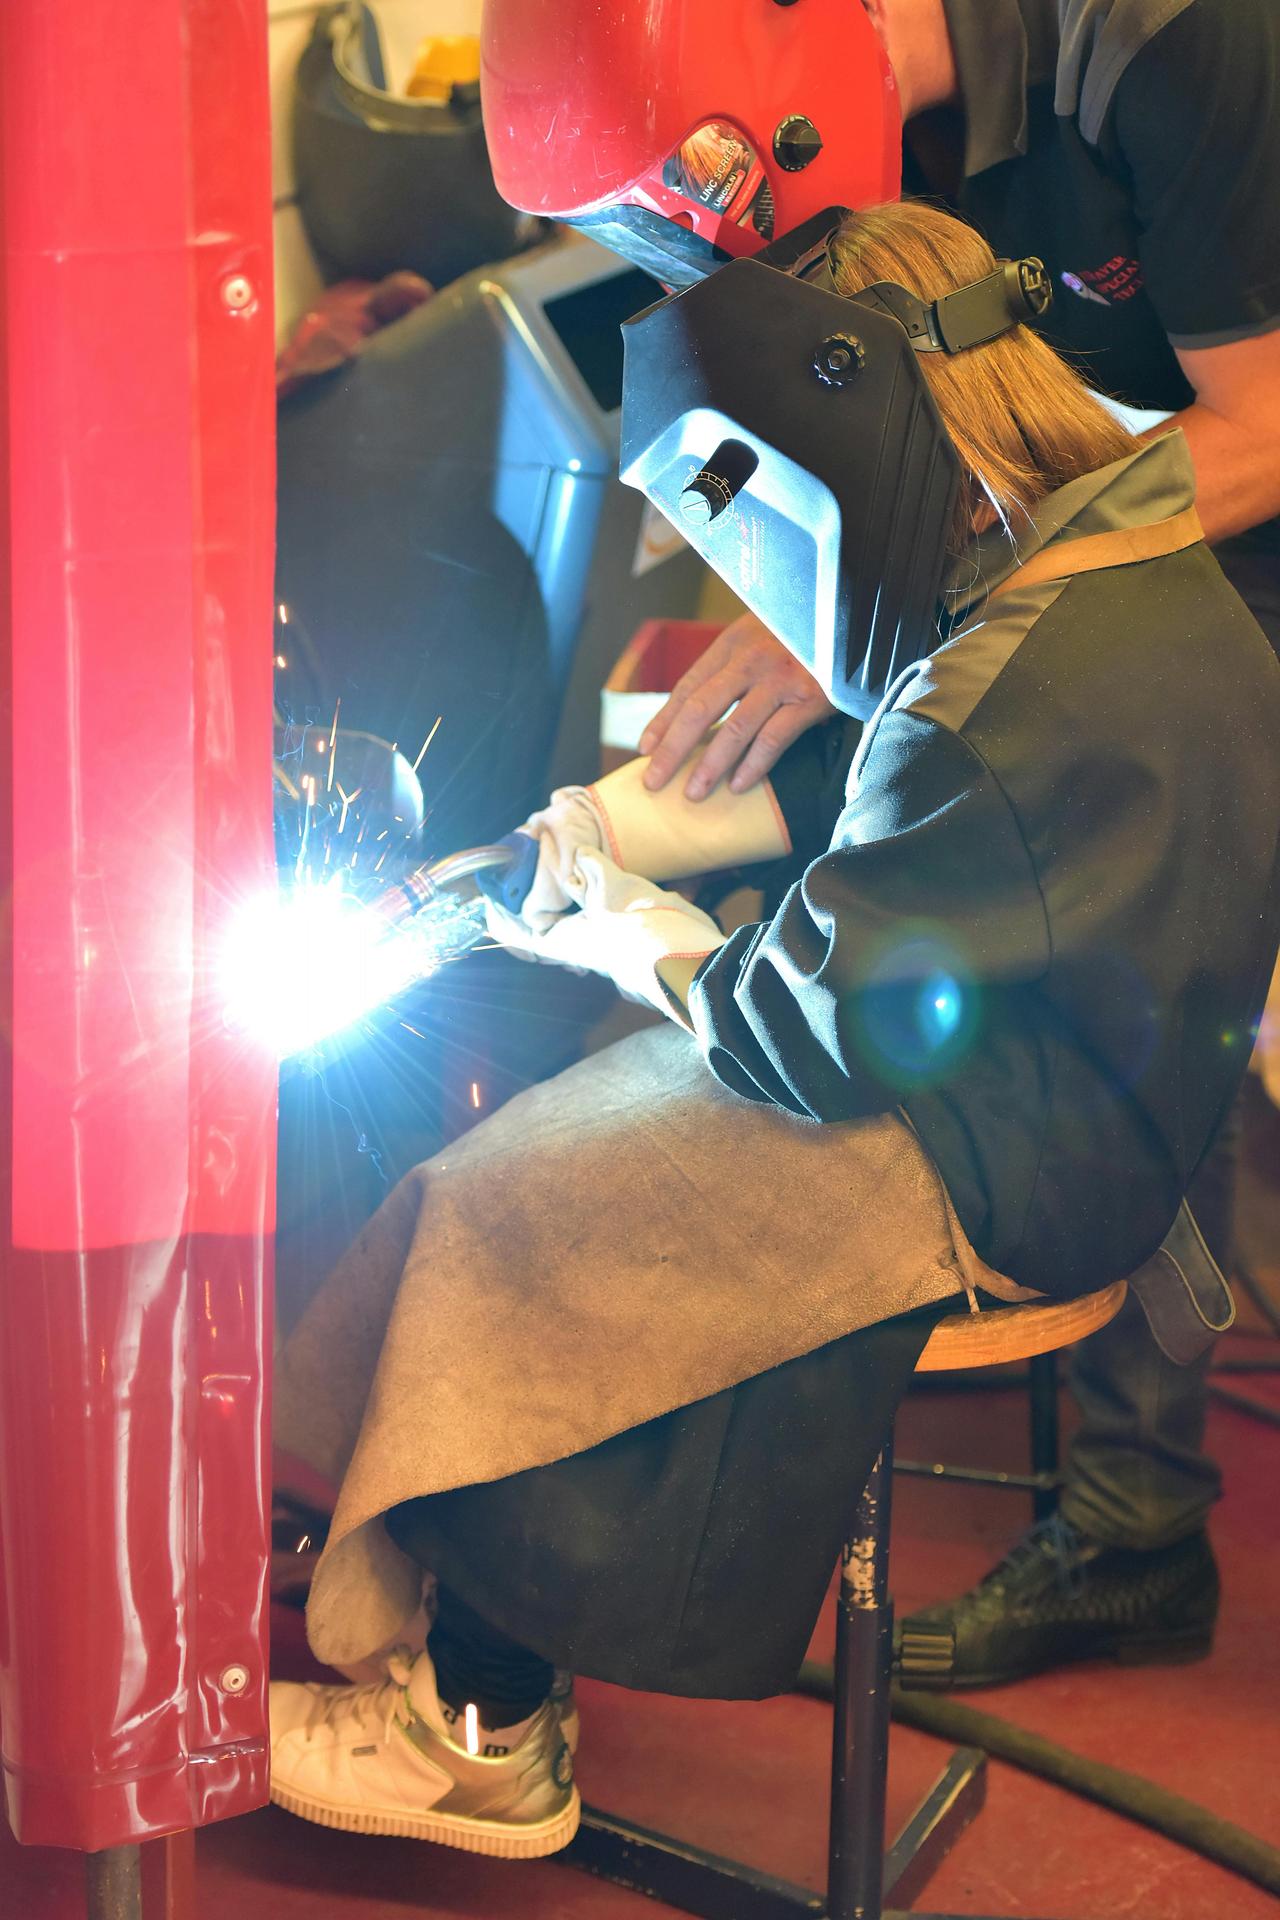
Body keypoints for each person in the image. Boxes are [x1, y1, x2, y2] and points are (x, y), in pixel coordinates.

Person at [267, 199, 1280, 1860]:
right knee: (582, 1115)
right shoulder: (1099, 536)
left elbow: (778, 1029)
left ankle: (480, 1728)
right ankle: (416, 1553)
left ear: (848, 418)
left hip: (1016, 1157)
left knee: (519, 1207)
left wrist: (616, 928)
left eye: (748, 509)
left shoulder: (1004, 715)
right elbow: (856, 777)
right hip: (1070, 1068)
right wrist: (582, 837)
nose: (752, 576)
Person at [480, 0, 1280, 1687]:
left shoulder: (1180, 47)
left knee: (1128, 980)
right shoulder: (876, 147)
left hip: (1211, 526)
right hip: (1048, 553)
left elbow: (1259, 423)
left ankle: (1135, 1528)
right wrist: (838, 599)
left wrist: (907, 614)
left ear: (769, 116)